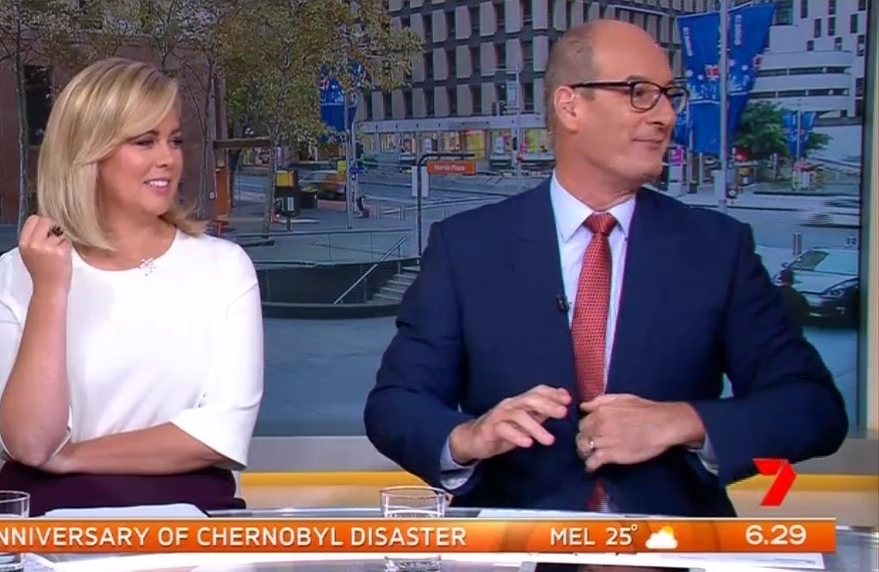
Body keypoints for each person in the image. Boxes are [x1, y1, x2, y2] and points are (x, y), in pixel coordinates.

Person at [363, 20, 847, 517]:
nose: (665, 115)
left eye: (670, 96)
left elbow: (812, 407)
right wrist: (468, 436)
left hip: (672, 544)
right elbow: (395, 405)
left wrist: (682, 421)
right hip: (517, 543)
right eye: (640, 93)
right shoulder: (467, 247)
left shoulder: (718, 248)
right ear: (570, 105)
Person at [0, 57, 263, 516]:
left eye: (174, 140)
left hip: (192, 516)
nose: (168, 158)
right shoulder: (13, 277)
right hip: (47, 522)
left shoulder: (224, 268)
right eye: (145, 141)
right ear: (88, 152)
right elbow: (32, 441)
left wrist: (69, 457)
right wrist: (51, 290)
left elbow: (220, 434)